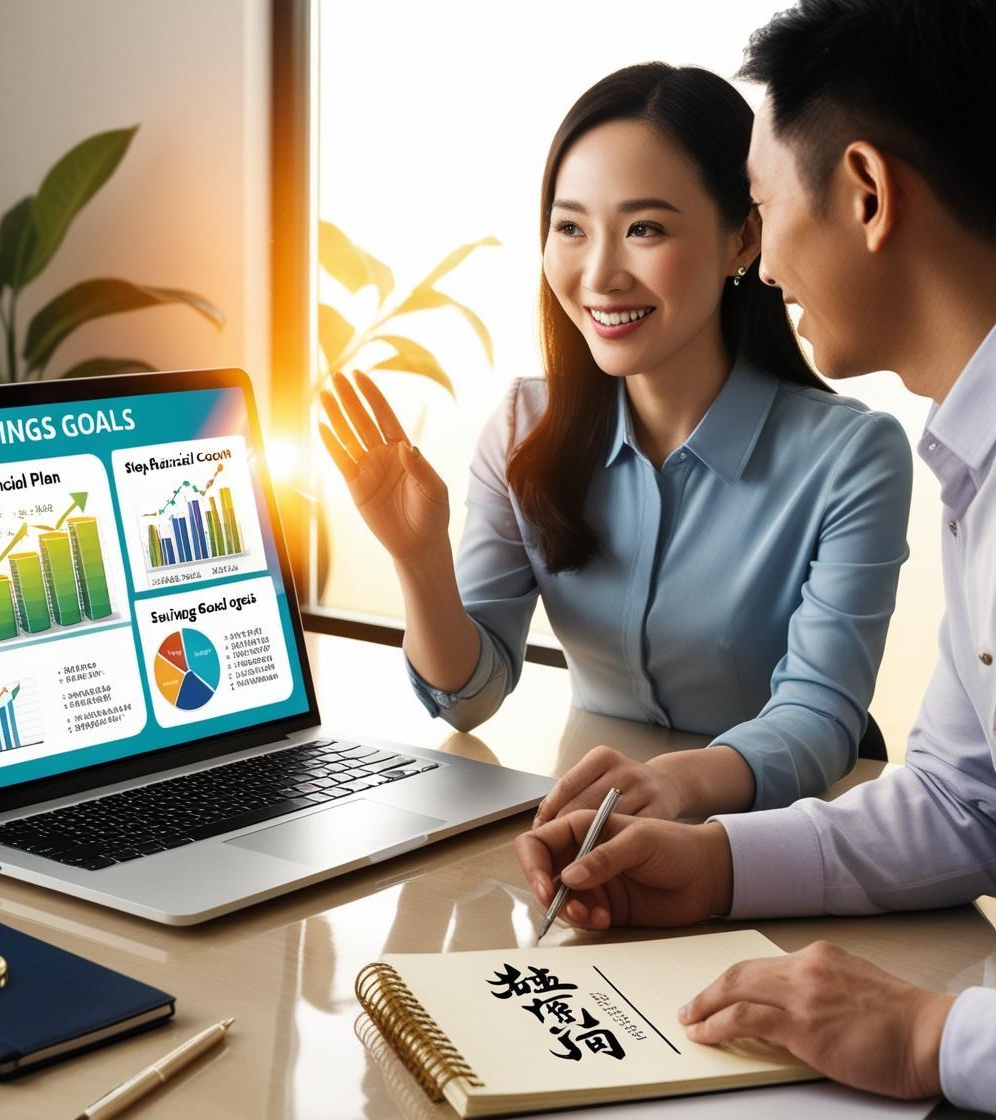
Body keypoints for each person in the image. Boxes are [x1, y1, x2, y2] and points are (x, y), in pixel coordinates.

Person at [515, 0, 996, 1112]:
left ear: (866, 196)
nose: (765, 255)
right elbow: (966, 805)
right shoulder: (971, 459)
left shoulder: (865, 453)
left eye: (765, 206)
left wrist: (937, 1034)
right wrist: (718, 863)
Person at [319, 62, 911, 822]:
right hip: (593, 828)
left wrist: (671, 787)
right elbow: (468, 700)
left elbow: (818, 723)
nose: (599, 274)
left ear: (743, 238)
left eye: (645, 229)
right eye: (570, 227)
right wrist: (419, 559)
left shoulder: (852, 460)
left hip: (766, 842)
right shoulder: (521, 429)